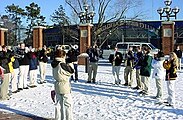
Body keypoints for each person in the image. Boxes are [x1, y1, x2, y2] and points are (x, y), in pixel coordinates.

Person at [51, 49, 74, 120]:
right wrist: (70, 64)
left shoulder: (54, 63)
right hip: (65, 86)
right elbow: (71, 71)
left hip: (57, 85)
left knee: (58, 104)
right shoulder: (62, 64)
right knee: (68, 104)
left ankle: (58, 118)